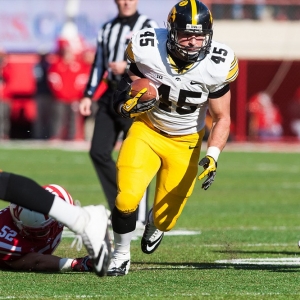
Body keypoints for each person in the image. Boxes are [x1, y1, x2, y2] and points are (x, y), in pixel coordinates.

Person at [107, 0, 239, 276]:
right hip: (147, 131)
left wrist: (213, 155)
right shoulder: (148, 45)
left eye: (199, 36)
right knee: (126, 200)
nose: (192, 43)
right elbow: (128, 84)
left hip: (186, 142)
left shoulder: (218, 63)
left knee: (167, 220)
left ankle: (155, 225)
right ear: (171, 31)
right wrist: (124, 101)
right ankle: (120, 254)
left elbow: (222, 117)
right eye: (186, 35)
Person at [79, 0, 158, 225]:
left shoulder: (148, 26)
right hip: (111, 94)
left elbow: (155, 63)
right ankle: (122, 204)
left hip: (135, 96)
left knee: (136, 157)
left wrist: (128, 68)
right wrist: (88, 94)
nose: (126, 2)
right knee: (98, 152)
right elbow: (98, 64)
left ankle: (139, 215)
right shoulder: (107, 29)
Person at [0, 170, 111, 276]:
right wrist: (76, 264)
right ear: (19, 226)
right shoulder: (5, 239)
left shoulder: (58, 196)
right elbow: (34, 261)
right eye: (40, 233)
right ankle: (82, 218)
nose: (47, 234)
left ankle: (84, 219)